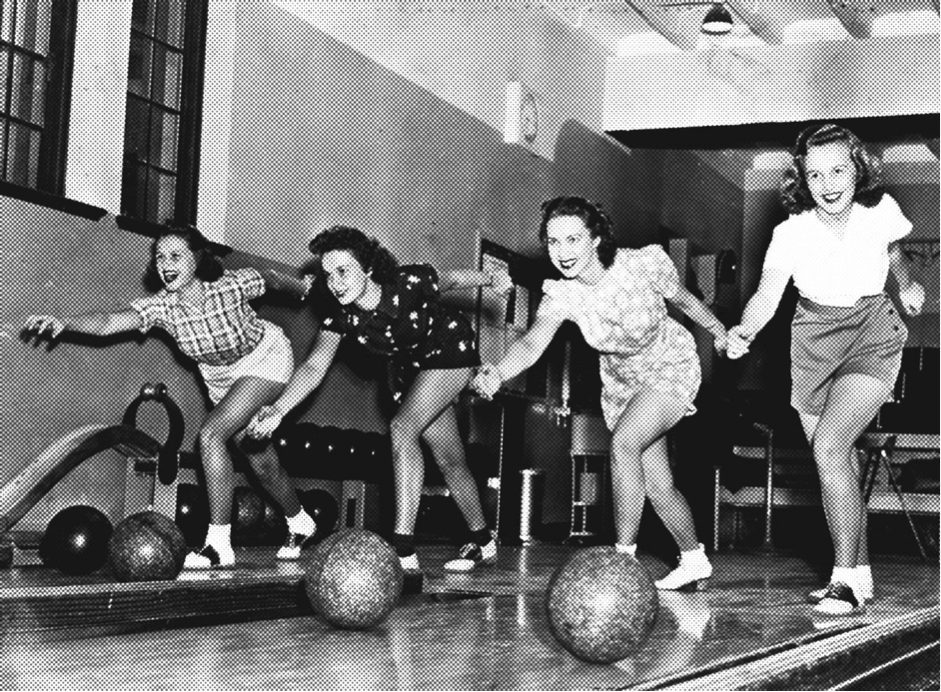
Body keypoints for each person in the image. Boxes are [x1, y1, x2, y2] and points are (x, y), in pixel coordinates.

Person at [22, 225, 317, 569]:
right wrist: (65, 323)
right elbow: (109, 321)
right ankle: (300, 521)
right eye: (160, 257)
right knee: (260, 460)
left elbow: (271, 278)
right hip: (221, 378)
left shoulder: (231, 285)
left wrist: (304, 287)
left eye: (176, 255)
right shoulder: (163, 307)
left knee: (211, 435)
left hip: (264, 358)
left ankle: (218, 544)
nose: (166, 264)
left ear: (198, 259)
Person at [472, 196, 728, 591]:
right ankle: (694, 559)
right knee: (657, 485)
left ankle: (621, 560)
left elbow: (683, 299)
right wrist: (499, 371)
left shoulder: (640, 264)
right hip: (623, 384)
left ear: (595, 239)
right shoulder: (563, 295)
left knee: (624, 443)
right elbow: (533, 343)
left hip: (669, 365)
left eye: (573, 239)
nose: (562, 252)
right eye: (553, 242)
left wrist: (719, 332)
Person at [726, 124, 924, 615]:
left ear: (858, 170)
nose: (828, 183)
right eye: (815, 174)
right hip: (813, 339)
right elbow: (767, 296)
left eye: (838, 170)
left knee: (830, 445)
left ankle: (845, 581)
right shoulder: (790, 233)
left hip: (872, 330)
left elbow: (894, 252)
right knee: (838, 461)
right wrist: (745, 329)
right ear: (802, 179)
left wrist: (906, 284)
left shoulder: (880, 211)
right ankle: (861, 570)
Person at [246, 225, 513, 573]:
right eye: (328, 274)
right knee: (449, 459)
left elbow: (454, 279)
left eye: (343, 271)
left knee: (402, 428)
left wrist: (493, 278)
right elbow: (313, 366)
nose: (335, 282)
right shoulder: (339, 316)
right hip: (410, 371)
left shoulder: (408, 282)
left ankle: (402, 548)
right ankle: (484, 541)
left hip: (450, 350)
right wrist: (278, 409)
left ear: (369, 268)